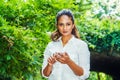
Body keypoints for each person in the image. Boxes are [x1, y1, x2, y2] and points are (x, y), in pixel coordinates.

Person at [42, 9, 90, 80]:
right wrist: (50, 64)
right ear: (57, 26)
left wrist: (69, 61)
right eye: (61, 24)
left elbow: (84, 74)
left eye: (68, 24)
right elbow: (45, 74)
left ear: (73, 25)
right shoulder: (51, 46)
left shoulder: (81, 46)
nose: (65, 28)